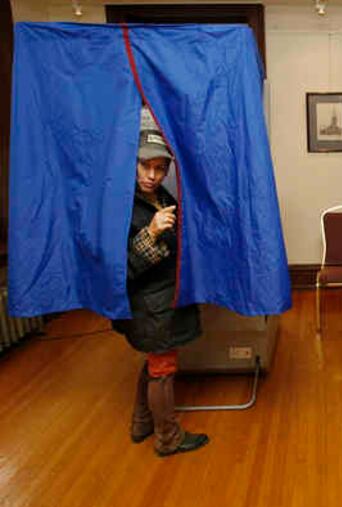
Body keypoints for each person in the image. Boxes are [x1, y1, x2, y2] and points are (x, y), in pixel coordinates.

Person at [112, 106, 209, 457]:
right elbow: (120, 268)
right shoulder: (121, 204)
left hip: (164, 301)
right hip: (151, 306)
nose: (152, 175)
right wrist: (150, 234)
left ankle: (142, 422)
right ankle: (168, 437)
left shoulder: (161, 197)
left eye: (160, 168)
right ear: (132, 163)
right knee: (163, 369)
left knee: (154, 362)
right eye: (145, 166)